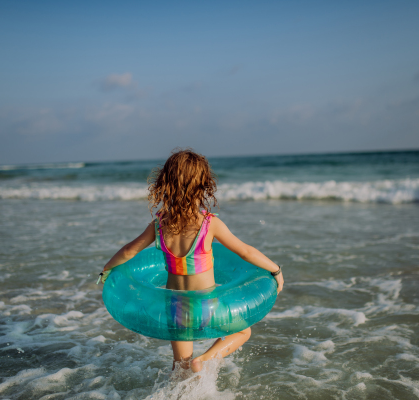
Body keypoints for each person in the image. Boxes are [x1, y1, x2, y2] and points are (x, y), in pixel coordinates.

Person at [99, 149, 284, 373]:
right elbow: (245, 252)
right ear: (203, 185)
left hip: (174, 308)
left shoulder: (159, 224)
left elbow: (129, 250)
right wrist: (275, 270)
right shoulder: (209, 223)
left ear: (166, 183)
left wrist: (106, 270)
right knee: (243, 331)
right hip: (206, 306)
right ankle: (204, 360)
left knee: (180, 365)